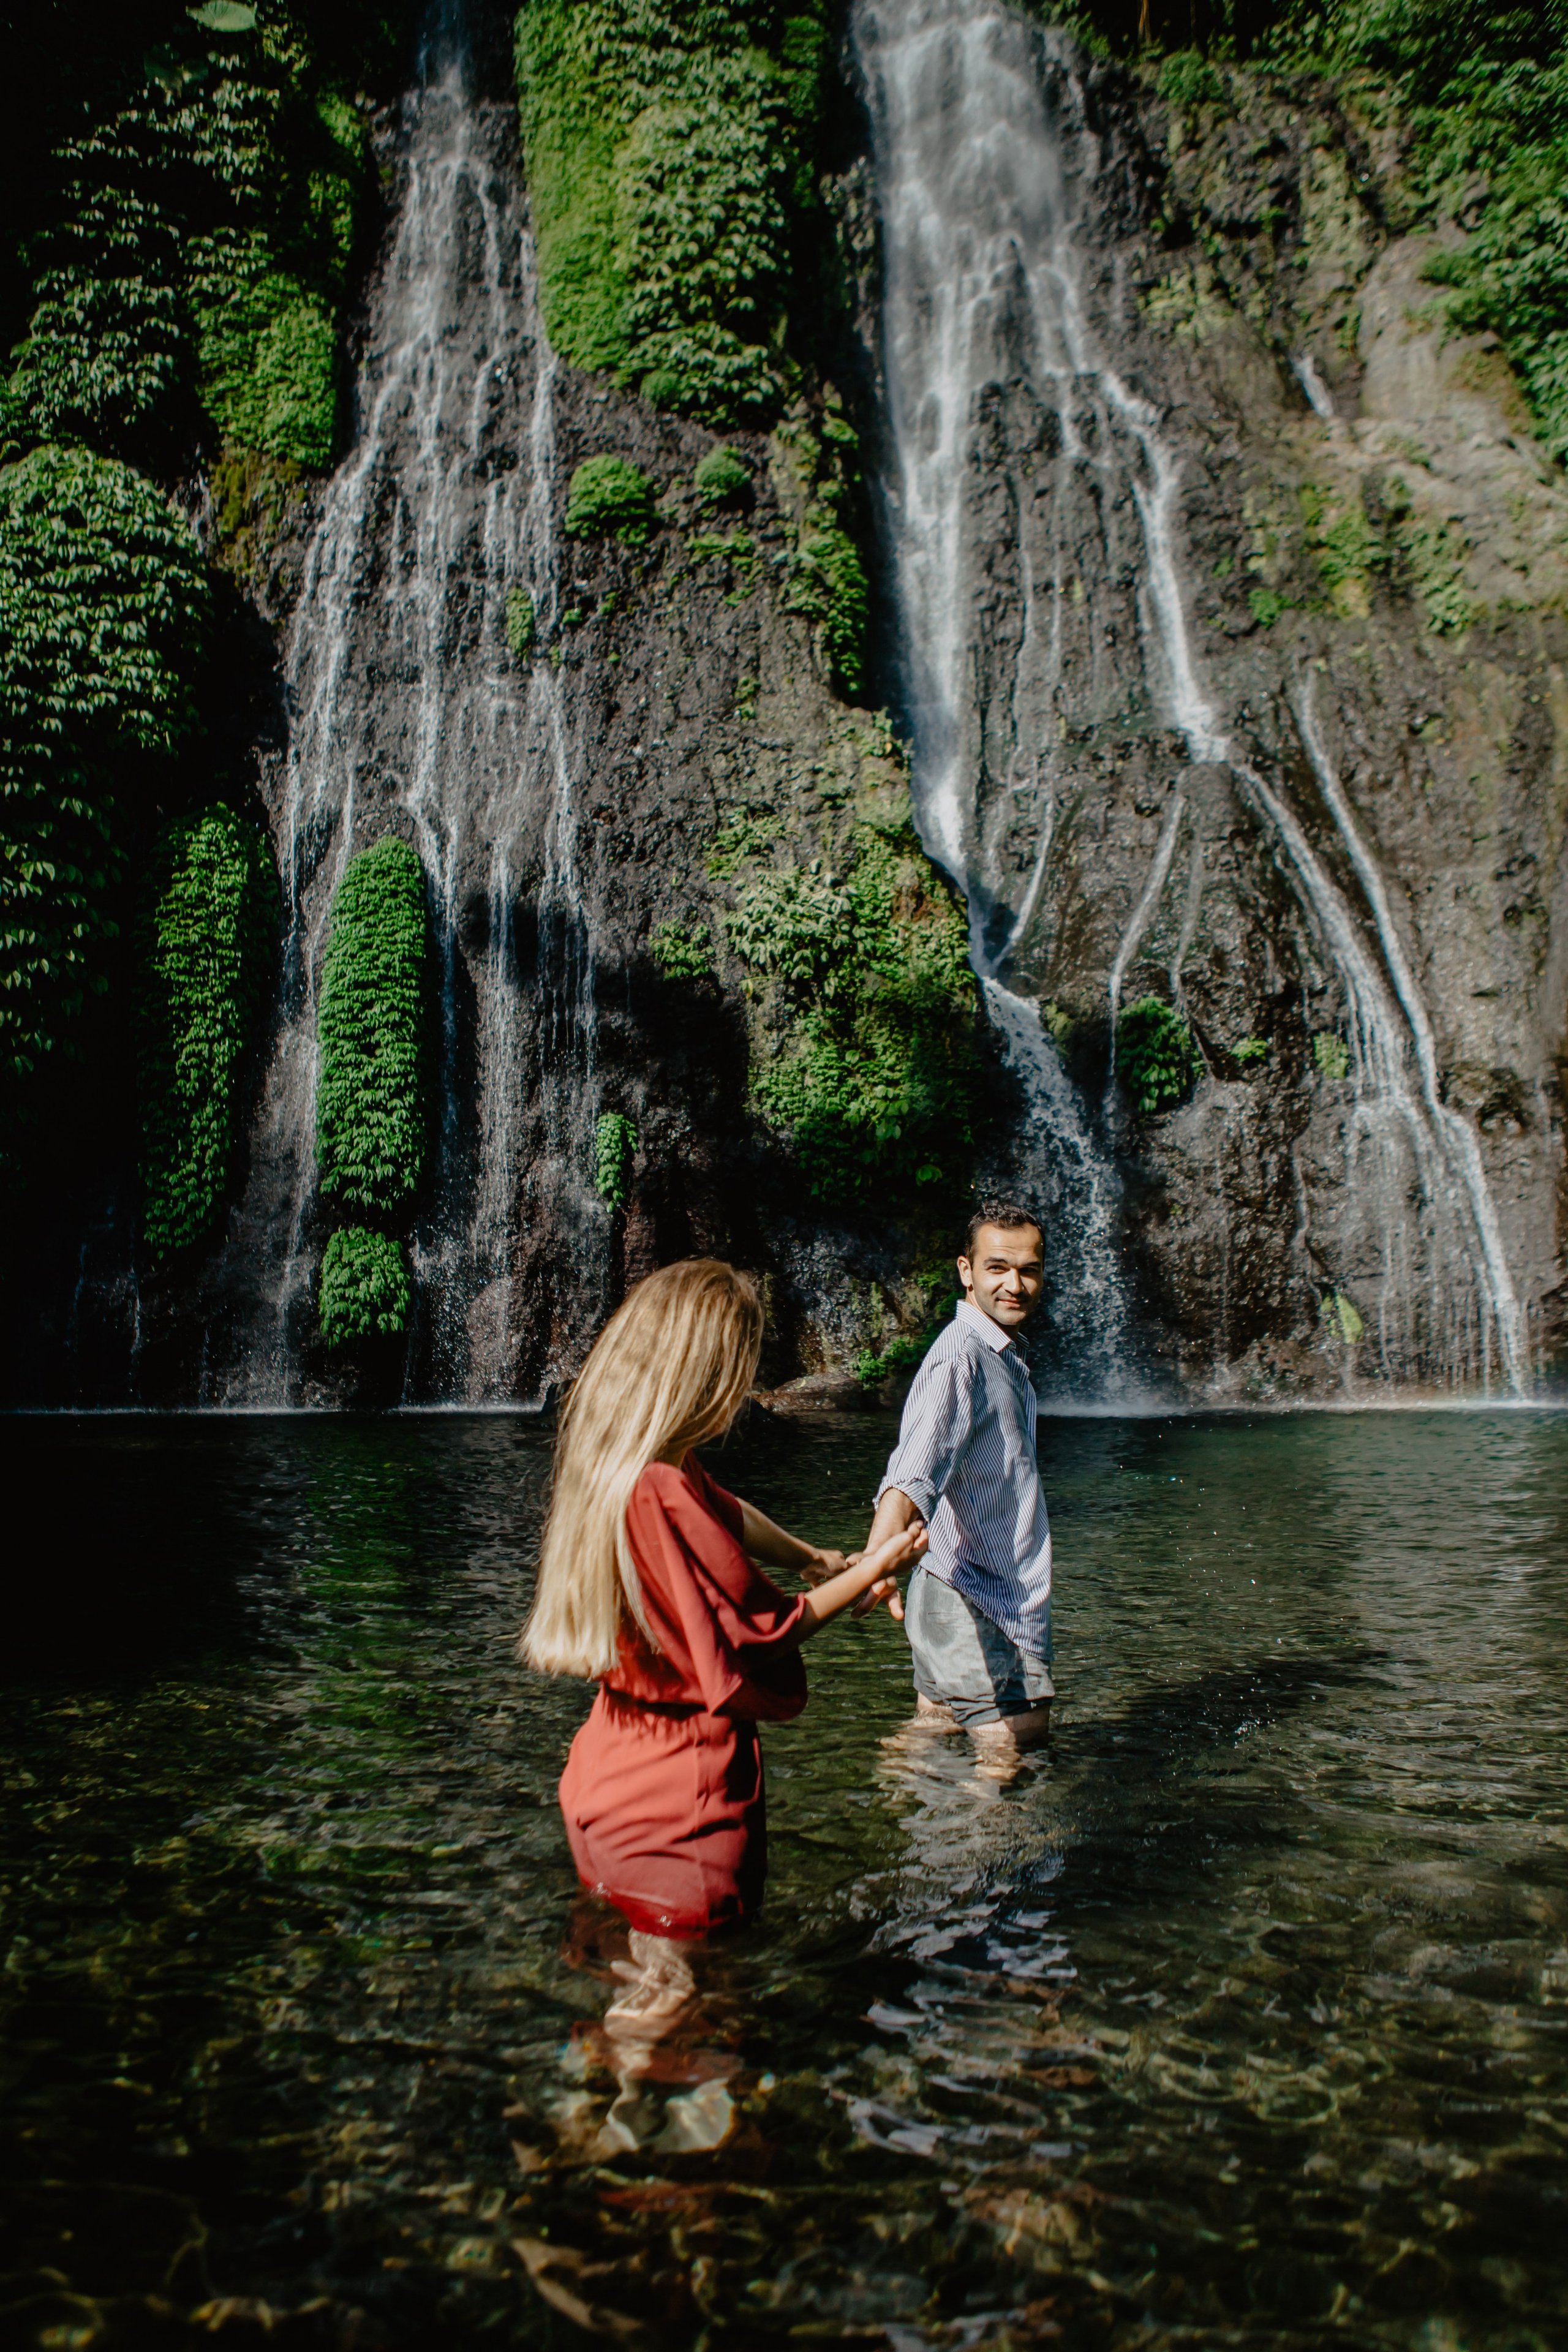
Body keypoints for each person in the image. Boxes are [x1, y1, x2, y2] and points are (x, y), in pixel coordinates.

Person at [522, 1256, 927, 2024]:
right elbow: (758, 1637)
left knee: (633, 1980)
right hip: (681, 1802)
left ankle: (587, 2110)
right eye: (733, 1372)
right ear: (697, 1372)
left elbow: (728, 1509)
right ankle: (612, 2132)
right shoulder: (661, 1489)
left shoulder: (622, 1464)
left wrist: (815, 1558)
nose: (738, 1394)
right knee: (677, 1999)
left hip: (606, 1779)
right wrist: (877, 1563)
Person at [861, 1200, 1053, 1768]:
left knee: (934, 1735)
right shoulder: (960, 1357)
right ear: (966, 1271)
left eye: (1028, 1270)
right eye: (997, 1267)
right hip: (977, 1601)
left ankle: (902, 1837)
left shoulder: (999, 1353)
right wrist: (876, 1563)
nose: (1014, 1284)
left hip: (959, 1593)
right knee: (1013, 1750)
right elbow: (911, 1473)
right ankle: (991, 1855)